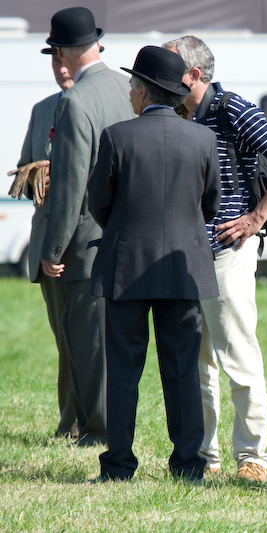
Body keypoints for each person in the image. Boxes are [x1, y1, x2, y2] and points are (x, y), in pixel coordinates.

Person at [161, 35, 267, 482]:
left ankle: (252, 458)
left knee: (237, 355)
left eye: (169, 68)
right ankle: (206, 455)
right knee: (198, 361)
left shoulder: (232, 108)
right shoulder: (177, 112)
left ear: (194, 74)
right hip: (187, 253)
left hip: (228, 252)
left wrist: (256, 218)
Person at [88, 46, 221, 482]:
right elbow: (210, 205)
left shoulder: (118, 137)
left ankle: (118, 466)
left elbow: (100, 204)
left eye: (132, 85)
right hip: (183, 268)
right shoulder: (202, 138)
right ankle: (188, 466)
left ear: (144, 91)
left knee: (123, 370)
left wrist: (126, 228)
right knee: (183, 370)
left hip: (126, 265)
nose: (129, 93)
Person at [39, 6, 135, 446]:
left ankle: (98, 432)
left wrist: (52, 248)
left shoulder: (75, 99)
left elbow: (70, 184)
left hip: (87, 240)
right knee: (121, 343)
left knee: (89, 345)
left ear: (60, 51)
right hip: (131, 233)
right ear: (95, 43)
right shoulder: (127, 87)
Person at [8, 46, 77, 438]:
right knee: (63, 340)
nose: (61, 68)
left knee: (89, 344)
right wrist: (37, 175)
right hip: (48, 237)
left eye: (66, 59)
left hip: (86, 239)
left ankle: (91, 424)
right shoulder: (42, 108)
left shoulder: (105, 100)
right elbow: (23, 174)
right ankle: (70, 422)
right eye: (54, 60)